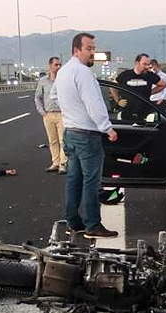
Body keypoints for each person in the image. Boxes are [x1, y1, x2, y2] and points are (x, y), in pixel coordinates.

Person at [51, 32, 119, 239]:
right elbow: (94, 104)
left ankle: (73, 223)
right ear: (76, 50)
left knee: (74, 180)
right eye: (88, 49)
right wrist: (107, 128)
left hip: (70, 133)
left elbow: (54, 95)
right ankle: (93, 226)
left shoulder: (63, 72)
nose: (92, 53)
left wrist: (71, 108)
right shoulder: (83, 73)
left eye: (93, 49)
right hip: (87, 136)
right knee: (91, 182)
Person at [35, 57, 67, 173]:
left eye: (60, 65)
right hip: (48, 114)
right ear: (50, 66)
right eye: (56, 65)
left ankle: (63, 164)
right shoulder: (43, 81)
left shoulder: (64, 80)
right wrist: (42, 111)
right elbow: (37, 97)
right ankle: (55, 162)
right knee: (52, 140)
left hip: (62, 114)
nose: (58, 67)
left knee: (63, 140)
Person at [113, 54, 166, 121]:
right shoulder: (126, 74)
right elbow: (112, 87)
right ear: (137, 63)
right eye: (144, 64)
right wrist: (118, 100)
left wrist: (150, 92)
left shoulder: (150, 75)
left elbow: (163, 85)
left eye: (148, 64)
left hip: (145, 114)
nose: (147, 67)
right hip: (126, 113)